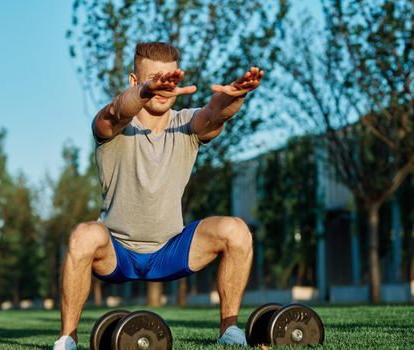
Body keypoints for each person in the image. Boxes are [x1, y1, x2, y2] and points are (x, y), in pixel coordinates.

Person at [53, 42, 264, 350]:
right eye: (155, 79)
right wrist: (146, 92)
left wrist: (236, 94)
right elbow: (115, 111)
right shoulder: (113, 126)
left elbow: (216, 114)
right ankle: (67, 339)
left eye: (170, 80)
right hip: (117, 252)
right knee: (83, 235)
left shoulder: (186, 124)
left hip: (170, 250)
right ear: (134, 81)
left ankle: (229, 330)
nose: (164, 88)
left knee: (236, 231)